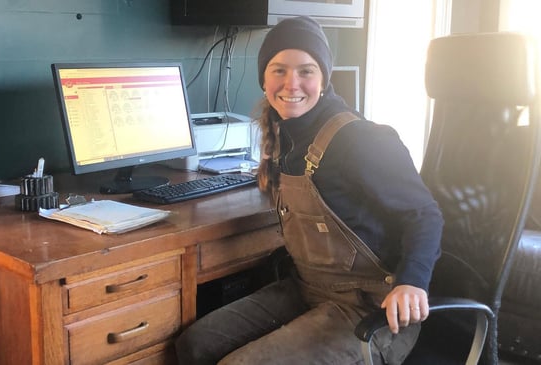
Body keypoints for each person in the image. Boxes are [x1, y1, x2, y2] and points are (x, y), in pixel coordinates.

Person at [175, 16, 444, 365]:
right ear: (263, 77)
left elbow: (425, 214)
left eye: (306, 71)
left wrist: (413, 282)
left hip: (371, 307)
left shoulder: (360, 139)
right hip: (307, 288)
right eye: (278, 70)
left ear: (323, 77)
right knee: (196, 344)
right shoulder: (286, 132)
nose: (291, 83)